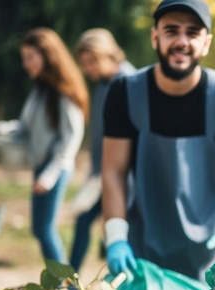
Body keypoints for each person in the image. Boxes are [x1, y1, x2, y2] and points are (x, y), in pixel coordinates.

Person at [101, 0, 215, 280]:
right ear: (155, 37)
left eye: (192, 32)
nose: (182, 41)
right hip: (144, 254)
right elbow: (113, 170)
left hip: (212, 256)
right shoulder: (125, 94)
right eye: (171, 31)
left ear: (206, 43)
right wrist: (116, 235)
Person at [0, 28, 88, 264]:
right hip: (42, 168)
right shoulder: (39, 91)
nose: (25, 64)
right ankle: (64, 287)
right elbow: (23, 129)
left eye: (30, 57)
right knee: (40, 230)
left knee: (45, 231)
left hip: (55, 170)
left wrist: (49, 175)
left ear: (47, 56)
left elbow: (71, 138)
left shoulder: (63, 93)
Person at [69, 28, 136, 272]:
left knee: (115, 233)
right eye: (84, 64)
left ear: (106, 54)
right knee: (84, 221)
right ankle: (70, 285)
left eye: (91, 62)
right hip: (102, 173)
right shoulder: (102, 86)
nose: (88, 69)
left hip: (124, 177)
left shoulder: (130, 81)